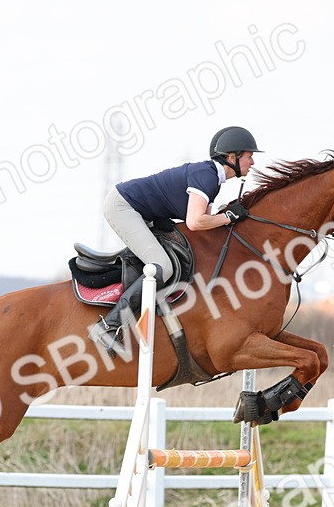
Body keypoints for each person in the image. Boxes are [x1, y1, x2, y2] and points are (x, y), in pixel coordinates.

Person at [88, 126, 262, 353]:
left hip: (140, 211)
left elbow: (205, 222)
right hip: (123, 206)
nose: (253, 163)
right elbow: (196, 222)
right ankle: (109, 325)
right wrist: (227, 217)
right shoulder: (207, 176)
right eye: (249, 156)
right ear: (232, 157)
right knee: (162, 268)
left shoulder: (212, 179)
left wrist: (225, 215)